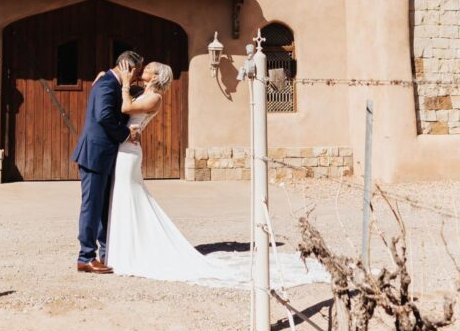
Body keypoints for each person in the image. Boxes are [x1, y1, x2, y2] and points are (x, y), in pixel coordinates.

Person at [105, 61, 330, 290]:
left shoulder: (155, 99)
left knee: (129, 195)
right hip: (126, 147)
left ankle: (130, 250)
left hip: (129, 153)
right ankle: (126, 246)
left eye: (149, 68)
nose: (144, 69)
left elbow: (126, 108)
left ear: (155, 76)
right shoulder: (145, 92)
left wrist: (123, 83)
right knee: (125, 196)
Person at [72, 49, 144, 273]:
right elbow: (104, 116)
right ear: (126, 68)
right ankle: (85, 257)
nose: (136, 77)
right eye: (136, 72)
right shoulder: (105, 85)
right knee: (92, 207)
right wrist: (125, 134)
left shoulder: (110, 82)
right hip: (95, 154)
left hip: (104, 155)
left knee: (103, 207)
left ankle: (105, 252)